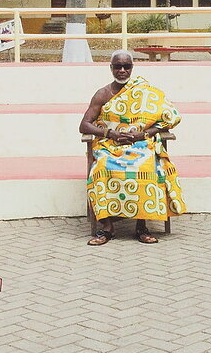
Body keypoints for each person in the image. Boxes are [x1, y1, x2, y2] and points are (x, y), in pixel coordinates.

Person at [79, 50, 186, 245]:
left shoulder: (145, 92)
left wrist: (143, 134)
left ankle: (141, 226)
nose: (122, 70)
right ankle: (107, 228)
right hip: (109, 145)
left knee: (145, 166)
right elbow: (84, 125)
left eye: (126, 66)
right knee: (101, 168)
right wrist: (110, 134)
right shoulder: (103, 94)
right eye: (117, 66)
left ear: (132, 68)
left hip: (139, 143)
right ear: (111, 68)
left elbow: (169, 118)